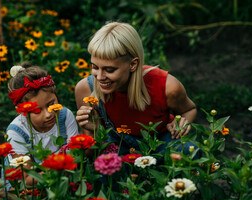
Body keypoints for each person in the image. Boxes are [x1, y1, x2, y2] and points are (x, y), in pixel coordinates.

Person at [75, 22, 197, 156]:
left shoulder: (167, 87)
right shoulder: (86, 89)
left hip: (159, 144)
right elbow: (90, 154)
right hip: (117, 147)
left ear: (133, 64)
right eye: (95, 67)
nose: (99, 77)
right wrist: (95, 131)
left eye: (109, 70)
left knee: (188, 151)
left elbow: (189, 109)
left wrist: (182, 122)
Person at [6, 62, 79, 184]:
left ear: (55, 94)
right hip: (31, 185)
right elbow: (27, 179)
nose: (48, 114)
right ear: (22, 111)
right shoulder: (16, 132)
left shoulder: (65, 116)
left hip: (63, 178)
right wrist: (59, 168)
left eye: (51, 104)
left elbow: (77, 154)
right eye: (37, 110)